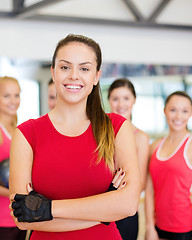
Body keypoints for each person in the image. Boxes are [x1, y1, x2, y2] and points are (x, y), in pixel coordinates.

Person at [9, 34, 141, 240]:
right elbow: (23, 218)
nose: (74, 76)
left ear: (96, 77)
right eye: (65, 67)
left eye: (84, 69)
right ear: (53, 72)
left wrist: (48, 208)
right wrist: (104, 211)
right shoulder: (26, 134)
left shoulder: (116, 128)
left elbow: (129, 205)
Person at [145, 91, 192, 240]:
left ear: (191, 113)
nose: (178, 116)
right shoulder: (154, 146)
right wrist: (149, 226)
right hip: (157, 225)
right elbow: (149, 190)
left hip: (184, 226)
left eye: (185, 111)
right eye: (173, 110)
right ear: (164, 111)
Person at [108, 78, 150, 240]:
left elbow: (140, 184)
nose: (121, 104)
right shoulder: (99, 134)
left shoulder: (140, 138)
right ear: (109, 100)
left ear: (134, 100)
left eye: (126, 98)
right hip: (98, 210)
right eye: (115, 99)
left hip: (126, 212)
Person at [0, 76, 26, 239]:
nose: (13, 101)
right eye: (6, 96)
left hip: (18, 217)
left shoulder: (17, 129)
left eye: (16, 95)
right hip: (2, 220)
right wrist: (14, 192)